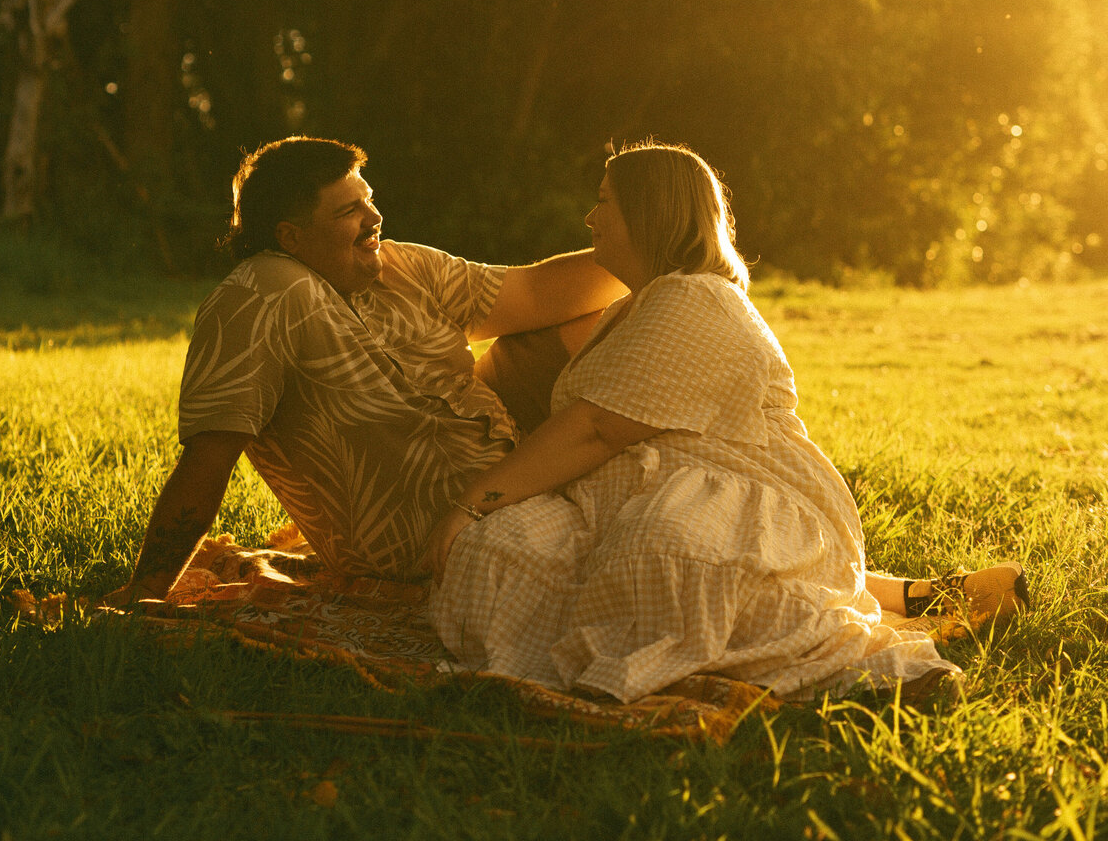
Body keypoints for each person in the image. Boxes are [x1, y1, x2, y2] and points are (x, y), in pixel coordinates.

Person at [425, 141, 1027, 703]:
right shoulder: (647, 301)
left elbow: (598, 427)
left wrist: (475, 500)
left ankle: (853, 664)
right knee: (504, 550)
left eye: (604, 201)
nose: (590, 217)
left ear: (649, 211)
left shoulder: (695, 297)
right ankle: (906, 601)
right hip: (629, 494)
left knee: (672, 548)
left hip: (734, 492)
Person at [111, 136, 619, 598]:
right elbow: (209, 457)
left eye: (369, 199)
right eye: (350, 211)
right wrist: (147, 589)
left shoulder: (399, 267)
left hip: (513, 461)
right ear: (291, 236)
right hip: (436, 531)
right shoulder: (260, 297)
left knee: (622, 315)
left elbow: (533, 292)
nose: (374, 217)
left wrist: (667, 256)